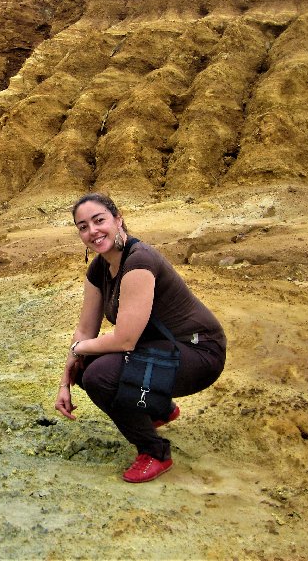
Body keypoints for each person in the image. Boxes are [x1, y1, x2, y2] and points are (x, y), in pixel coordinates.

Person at [54, 193, 226, 483]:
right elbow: (85, 331)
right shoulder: (98, 268)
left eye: (99, 221)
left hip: (199, 353)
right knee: (84, 368)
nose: (92, 231)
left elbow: (124, 341)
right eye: (83, 227)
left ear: (118, 219)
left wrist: (79, 350)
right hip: (163, 349)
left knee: (99, 376)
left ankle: (155, 452)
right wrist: (65, 378)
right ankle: (158, 409)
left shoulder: (139, 261)